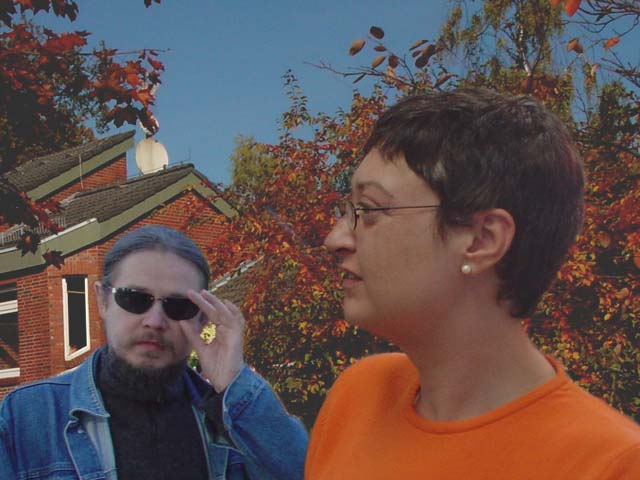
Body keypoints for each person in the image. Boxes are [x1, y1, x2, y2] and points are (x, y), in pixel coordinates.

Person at [305, 88, 640, 479]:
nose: (335, 238)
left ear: (482, 240)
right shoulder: (358, 396)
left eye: (370, 210)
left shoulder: (610, 465)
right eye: (348, 209)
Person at [0, 225, 307, 479]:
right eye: (135, 299)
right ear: (102, 301)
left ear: (202, 319)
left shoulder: (235, 421)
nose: (155, 321)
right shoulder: (27, 416)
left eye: (178, 306)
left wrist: (233, 383)